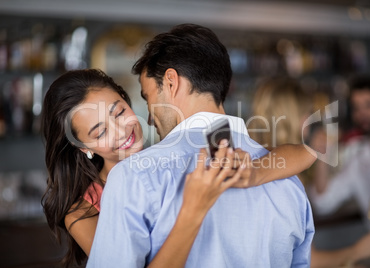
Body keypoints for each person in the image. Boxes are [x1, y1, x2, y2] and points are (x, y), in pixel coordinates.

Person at [87, 24, 315, 267]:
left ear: (171, 82)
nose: (150, 118)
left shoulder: (132, 176)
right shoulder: (288, 182)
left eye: (148, 97)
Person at [41, 69, 316, 267]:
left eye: (120, 112)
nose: (121, 130)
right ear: (83, 147)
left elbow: (303, 153)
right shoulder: (83, 210)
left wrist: (255, 171)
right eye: (100, 131)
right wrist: (193, 209)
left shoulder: (175, 154)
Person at [248, 76, 370, 267]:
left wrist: (319, 157)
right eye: (307, 113)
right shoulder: (284, 175)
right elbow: (310, 260)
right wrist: (357, 251)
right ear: (296, 119)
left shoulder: (252, 160)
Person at [309, 74, 370, 258]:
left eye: (369, 105)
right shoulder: (359, 156)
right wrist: (321, 155)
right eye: (356, 108)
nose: (361, 114)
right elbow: (323, 202)